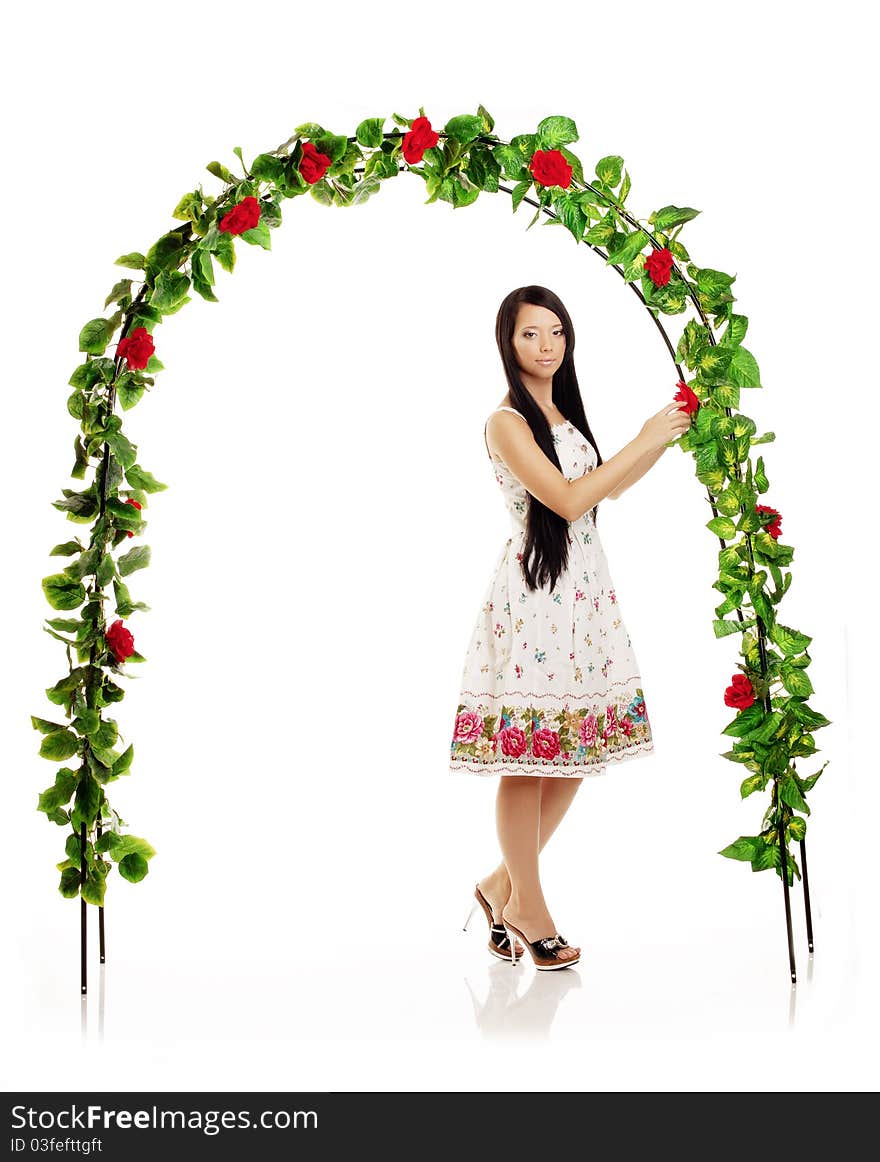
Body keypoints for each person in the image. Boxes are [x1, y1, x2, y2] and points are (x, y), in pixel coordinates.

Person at [452, 285, 692, 970]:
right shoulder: (506, 421)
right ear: (508, 342)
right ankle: (528, 905)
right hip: (535, 597)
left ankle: (502, 886)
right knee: (529, 756)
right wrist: (642, 438)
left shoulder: (561, 409)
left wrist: (662, 434)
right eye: (531, 334)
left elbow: (607, 488)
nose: (547, 346)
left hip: (583, 592)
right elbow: (564, 498)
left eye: (556, 331)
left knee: (575, 750)